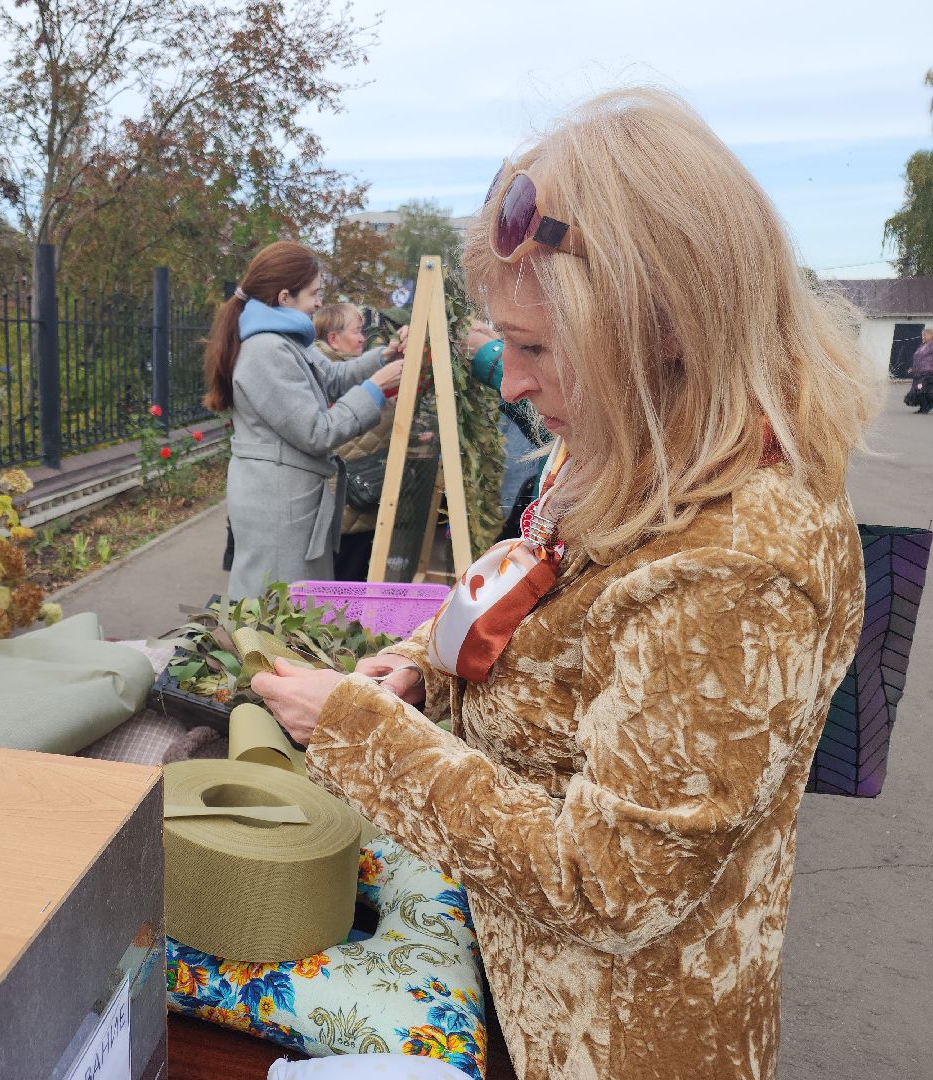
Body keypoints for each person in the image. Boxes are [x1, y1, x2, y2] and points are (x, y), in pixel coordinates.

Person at [250, 88, 880, 1080]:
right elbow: (528, 599)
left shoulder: (740, 564)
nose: (509, 383)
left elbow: (611, 883)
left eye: (536, 348)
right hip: (520, 988)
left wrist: (359, 731)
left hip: (617, 1041)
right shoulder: (626, 443)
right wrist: (423, 667)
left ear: (664, 327)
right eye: (505, 343)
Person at [204, 242, 406, 599]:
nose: (317, 303)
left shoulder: (285, 340)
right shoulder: (267, 350)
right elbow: (317, 432)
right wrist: (376, 387)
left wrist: (383, 356)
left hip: (285, 496)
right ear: (285, 297)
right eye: (313, 294)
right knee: (279, 604)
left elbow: (331, 377)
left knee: (292, 602)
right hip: (277, 503)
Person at [313, 303, 393, 582]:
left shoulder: (341, 369)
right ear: (334, 339)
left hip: (354, 499)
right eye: (356, 331)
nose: (362, 338)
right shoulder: (333, 377)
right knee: (347, 579)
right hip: (349, 503)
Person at [907, 327, 933, 413]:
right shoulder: (922, 346)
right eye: (922, 335)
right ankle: (924, 408)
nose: (923, 337)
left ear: (931, 335)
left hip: (928, 373)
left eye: (925, 335)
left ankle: (925, 408)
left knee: (922, 389)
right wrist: (913, 368)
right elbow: (918, 359)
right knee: (919, 390)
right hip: (919, 373)